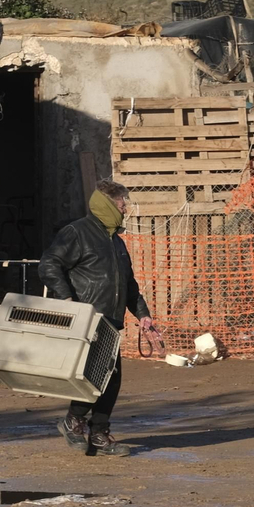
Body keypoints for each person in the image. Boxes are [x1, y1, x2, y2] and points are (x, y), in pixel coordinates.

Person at [39, 179, 155, 457]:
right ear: (106, 204)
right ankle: (73, 420)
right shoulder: (76, 233)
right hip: (86, 319)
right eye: (121, 202)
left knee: (111, 379)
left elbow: (128, 284)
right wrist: (67, 299)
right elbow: (49, 264)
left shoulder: (116, 241)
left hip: (110, 322)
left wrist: (143, 314)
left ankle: (99, 434)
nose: (125, 207)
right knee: (92, 377)